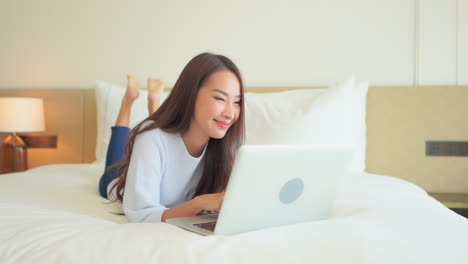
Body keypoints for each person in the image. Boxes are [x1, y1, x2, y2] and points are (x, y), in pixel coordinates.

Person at [98, 52, 245, 223]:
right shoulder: (151, 138)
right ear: (190, 94)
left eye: (236, 102)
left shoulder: (228, 145)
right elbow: (141, 214)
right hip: (119, 178)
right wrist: (198, 204)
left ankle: (153, 104)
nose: (230, 114)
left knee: (157, 128)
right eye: (220, 98)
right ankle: (127, 102)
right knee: (113, 167)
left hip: (157, 142)